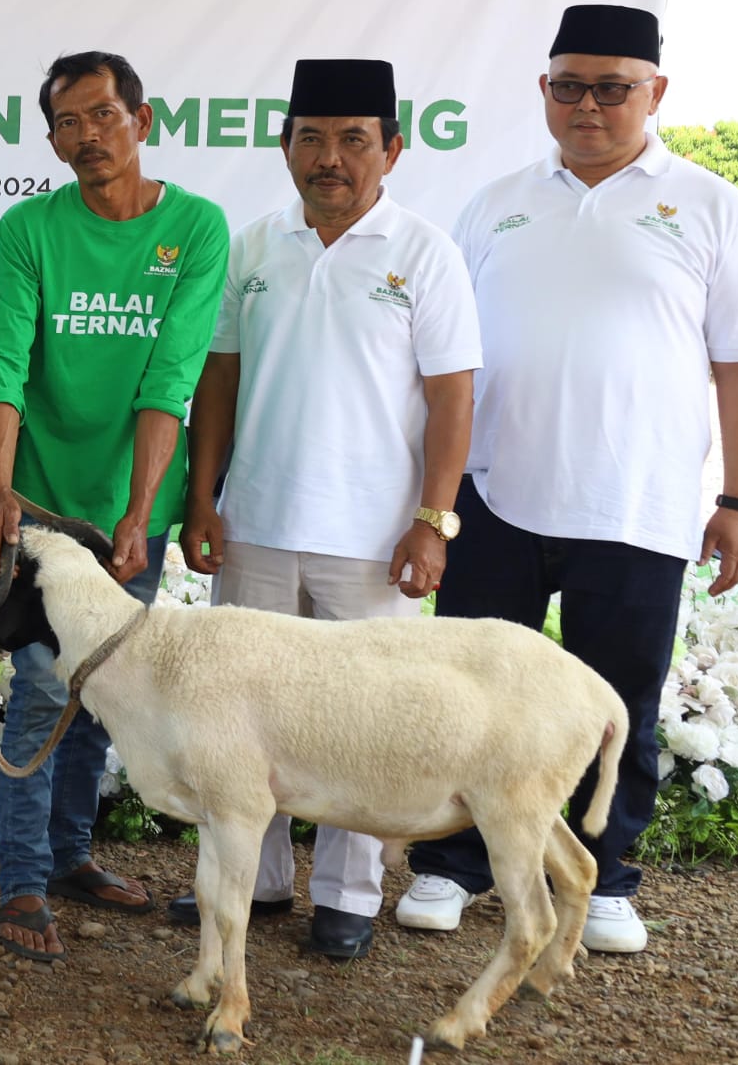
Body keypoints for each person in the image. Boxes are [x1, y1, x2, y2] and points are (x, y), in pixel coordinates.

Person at [397, 3, 738, 954]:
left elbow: (735, 363)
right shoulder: (496, 199)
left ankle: (605, 877)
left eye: (612, 86)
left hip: (636, 502)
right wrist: (433, 496)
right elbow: (445, 360)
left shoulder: (711, 205)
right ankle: (452, 864)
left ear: (656, 92)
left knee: (616, 699)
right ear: (544, 90)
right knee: (473, 691)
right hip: (493, 495)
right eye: (569, 85)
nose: (588, 105)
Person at [174, 59, 481, 959]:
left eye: (353, 140)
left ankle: (346, 897)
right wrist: (203, 495)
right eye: (311, 138)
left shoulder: (424, 251)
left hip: (373, 539)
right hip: (258, 523)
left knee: (362, 723)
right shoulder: (255, 244)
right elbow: (218, 379)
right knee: (241, 716)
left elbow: (454, 397)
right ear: (284, 146)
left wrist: (433, 521)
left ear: (392, 149)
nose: (331, 159)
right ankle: (252, 885)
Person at [0, 51, 230, 961]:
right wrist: (2, 493)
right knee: (44, 695)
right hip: (38, 508)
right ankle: (21, 881)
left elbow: (173, 376)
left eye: (102, 116)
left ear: (143, 119)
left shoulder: (196, 228)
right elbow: (4, 364)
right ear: (50, 139)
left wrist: (140, 509)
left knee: (109, 688)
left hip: (132, 509)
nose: (87, 137)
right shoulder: (30, 228)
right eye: (66, 124)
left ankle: (72, 855)